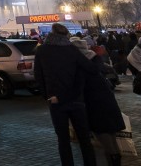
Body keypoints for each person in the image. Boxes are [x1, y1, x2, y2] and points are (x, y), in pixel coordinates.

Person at [34, 23, 98, 166]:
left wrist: (47, 95)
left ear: (51, 34)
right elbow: (92, 69)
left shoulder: (42, 50)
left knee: (63, 140)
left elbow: (38, 75)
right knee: (84, 139)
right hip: (76, 98)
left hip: (55, 100)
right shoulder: (72, 50)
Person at [70, 37, 126, 166]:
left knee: (104, 135)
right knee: (111, 136)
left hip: (93, 104)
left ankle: (114, 161)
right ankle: (115, 159)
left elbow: (78, 86)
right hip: (107, 100)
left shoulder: (79, 64)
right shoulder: (96, 60)